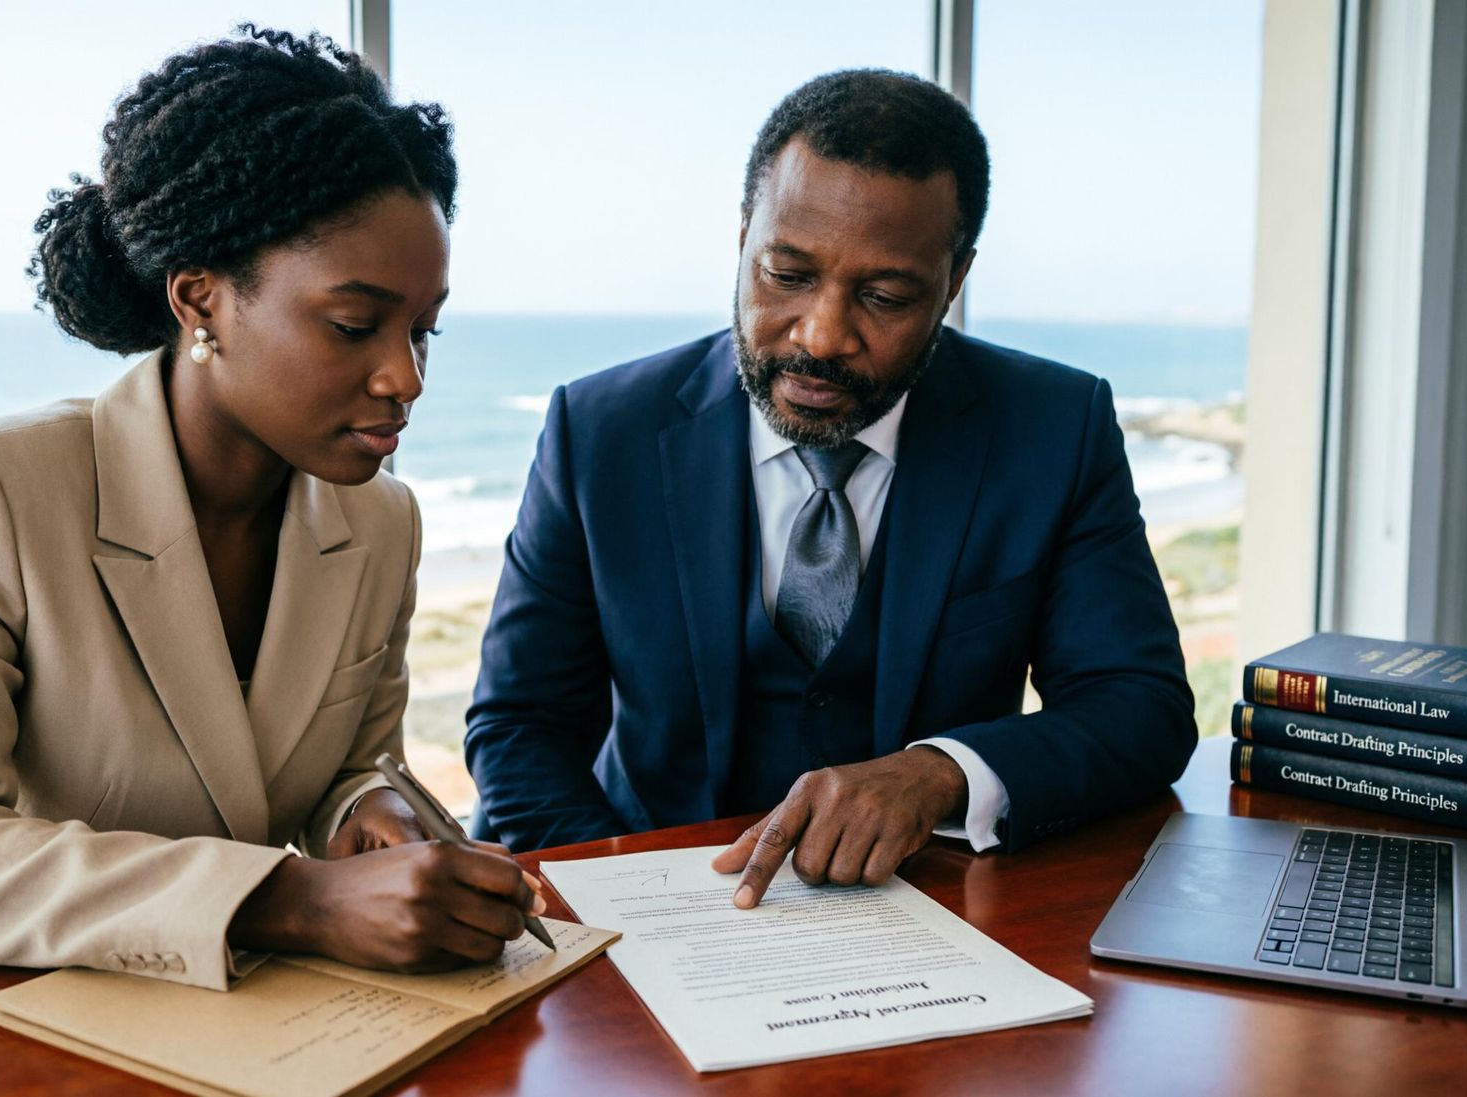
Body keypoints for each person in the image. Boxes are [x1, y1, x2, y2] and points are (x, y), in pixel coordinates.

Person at [0, 26, 541, 1096]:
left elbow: (347, 763)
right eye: (354, 324)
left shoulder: (380, 524)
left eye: (424, 330)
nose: (405, 377)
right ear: (200, 301)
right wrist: (289, 898)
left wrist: (372, 816)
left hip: (155, 973)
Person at [464, 70, 1195, 905]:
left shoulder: (1054, 428)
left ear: (954, 281)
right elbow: (519, 726)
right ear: (744, 236)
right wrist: (627, 901)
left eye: (884, 297)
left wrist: (941, 773)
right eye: (787, 275)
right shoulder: (599, 431)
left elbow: (1140, 707)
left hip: (938, 913)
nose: (821, 336)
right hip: (651, 912)